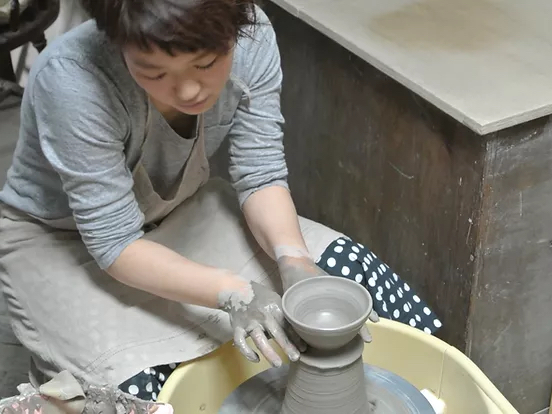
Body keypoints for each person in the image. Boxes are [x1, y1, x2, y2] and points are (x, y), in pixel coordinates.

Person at [0, 0, 441, 402]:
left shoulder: (252, 37)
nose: (188, 90)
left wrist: (294, 260)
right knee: (139, 393)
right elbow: (114, 243)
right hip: (62, 242)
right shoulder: (73, 78)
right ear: (115, 41)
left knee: (353, 278)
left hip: (179, 210)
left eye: (207, 63)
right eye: (155, 73)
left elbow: (261, 174)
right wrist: (232, 293)